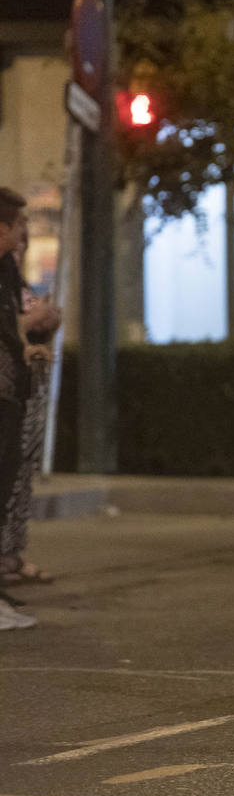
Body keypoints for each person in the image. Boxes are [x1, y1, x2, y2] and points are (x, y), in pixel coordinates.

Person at [1, 224, 60, 590]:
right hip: (7, 390)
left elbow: (24, 326)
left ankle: (11, 554)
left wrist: (47, 323)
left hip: (21, 390)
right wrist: (29, 324)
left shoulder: (15, 282)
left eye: (23, 243)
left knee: (18, 477)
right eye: (15, 240)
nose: (18, 250)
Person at [0, 187, 45, 630]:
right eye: (18, 227)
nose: (22, 236)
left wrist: (28, 344)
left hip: (11, 392)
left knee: (7, 484)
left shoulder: (8, 271)